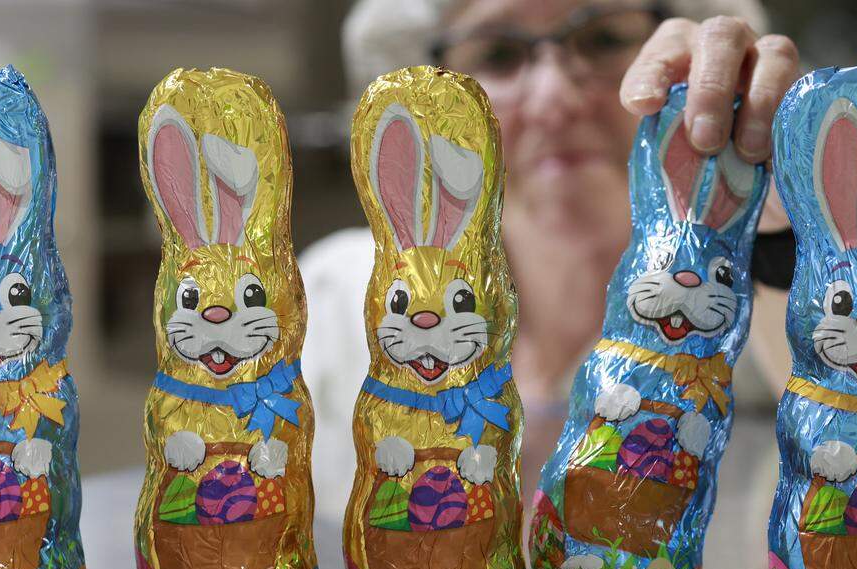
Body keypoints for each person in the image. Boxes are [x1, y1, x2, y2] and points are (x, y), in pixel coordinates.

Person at [301, 0, 800, 522]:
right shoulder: (342, 301)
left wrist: (778, 214)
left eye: (605, 39)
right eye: (496, 54)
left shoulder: (749, 295)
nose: (553, 100)